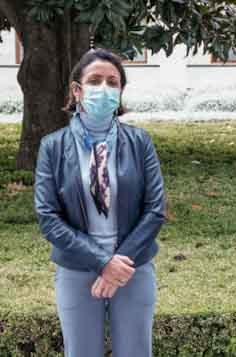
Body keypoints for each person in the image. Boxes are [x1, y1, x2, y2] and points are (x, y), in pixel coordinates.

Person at [34, 48, 166, 357]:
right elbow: (47, 216)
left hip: (133, 268)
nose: (104, 88)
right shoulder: (52, 147)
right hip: (77, 270)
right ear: (77, 90)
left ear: (120, 91)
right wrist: (101, 261)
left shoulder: (140, 142)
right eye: (95, 80)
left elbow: (155, 208)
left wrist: (118, 263)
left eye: (113, 82)